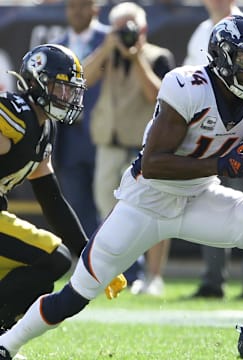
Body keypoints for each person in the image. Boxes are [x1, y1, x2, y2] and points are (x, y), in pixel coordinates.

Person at [0, 14, 243, 360]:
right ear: (222, 56)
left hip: (200, 194)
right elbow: (154, 164)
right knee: (76, 295)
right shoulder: (188, 86)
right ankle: (6, 345)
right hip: (145, 200)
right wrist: (222, 164)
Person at [0, 43, 126, 338]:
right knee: (53, 257)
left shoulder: (43, 130)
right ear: (35, 82)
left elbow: (52, 199)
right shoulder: (15, 115)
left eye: (71, 90)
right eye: (60, 88)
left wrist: (89, 255)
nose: (67, 97)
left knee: (42, 276)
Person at [183, 0, 243, 299]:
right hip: (210, 133)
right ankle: (213, 280)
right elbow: (191, 80)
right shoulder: (202, 30)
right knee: (210, 205)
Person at [84, 2, 175, 293]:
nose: (124, 35)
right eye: (119, 29)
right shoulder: (106, 55)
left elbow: (158, 96)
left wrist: (136, 58)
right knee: (107, 212)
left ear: (143, 29)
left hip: (145, 148)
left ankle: (154, 276)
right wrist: (106, 48)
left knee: (153, 212)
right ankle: (114, 275)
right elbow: (81, 81)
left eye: (129, 29)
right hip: (109, 143)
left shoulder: (158, 56)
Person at [53, 0, 108, 238]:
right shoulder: (57, 47)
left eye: (83, 5)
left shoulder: (111, 40)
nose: (77, 11)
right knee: (77, 208)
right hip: (69, 138)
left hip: (104, 134)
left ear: (95, 8)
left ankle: (127, 270)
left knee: (111, 207)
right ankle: (88, 266)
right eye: (72, 6)